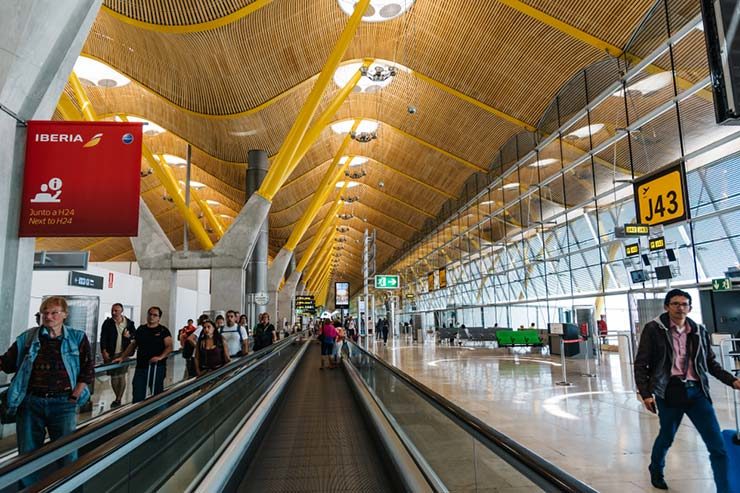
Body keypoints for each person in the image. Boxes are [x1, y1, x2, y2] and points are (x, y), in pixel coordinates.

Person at [634, 289, 740, 491]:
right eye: (675, 304)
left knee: (717, 447)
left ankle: (724, 489)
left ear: (690, 308)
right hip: (669, 391)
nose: (680, 308)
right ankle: (656, 468)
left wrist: (733, 381)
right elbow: (641, 364)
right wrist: (646, 395)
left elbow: (710, 363)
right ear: (666, 306)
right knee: (667, 435)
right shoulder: (654, 329)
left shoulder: (699, 331)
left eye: (684, 304)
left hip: (697, 392)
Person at [0, 296, 94, 469]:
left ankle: (67, 486)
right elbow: (7, 363)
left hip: (64, 403)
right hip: (30, 403)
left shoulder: (77, 337)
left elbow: (87, 369)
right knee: (27, 455)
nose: (49, 317)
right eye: (45, 313)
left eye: (54, 313)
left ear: (65, 314)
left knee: (66, 452)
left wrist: (75, 395)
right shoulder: (27, 338)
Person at [114, 306, 172, 403]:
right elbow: (133, 344)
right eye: (150, 314)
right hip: (141, 367)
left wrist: (160, 357)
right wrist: (122, 357)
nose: (152, 317)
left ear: (159, 318)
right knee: (138, 394)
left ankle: (158, 415)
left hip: (156, 368)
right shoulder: (141, 329)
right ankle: (138, 416)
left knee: (156, 395)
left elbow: (169, 346)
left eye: (155, 315)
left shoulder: (163, 331)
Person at [100, 303, 135, 407]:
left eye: (116, 311)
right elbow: (103, 337)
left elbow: (134, 334)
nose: (114, 312)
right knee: (114, 376)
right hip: (112, 353)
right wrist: (103, 350)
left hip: (124, 353)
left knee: (122, 375)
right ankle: (117, 396)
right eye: (112, 310)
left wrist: (128, 336)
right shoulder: (108, 323)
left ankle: (118, 398)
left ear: (121, 311)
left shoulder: (129, 323)